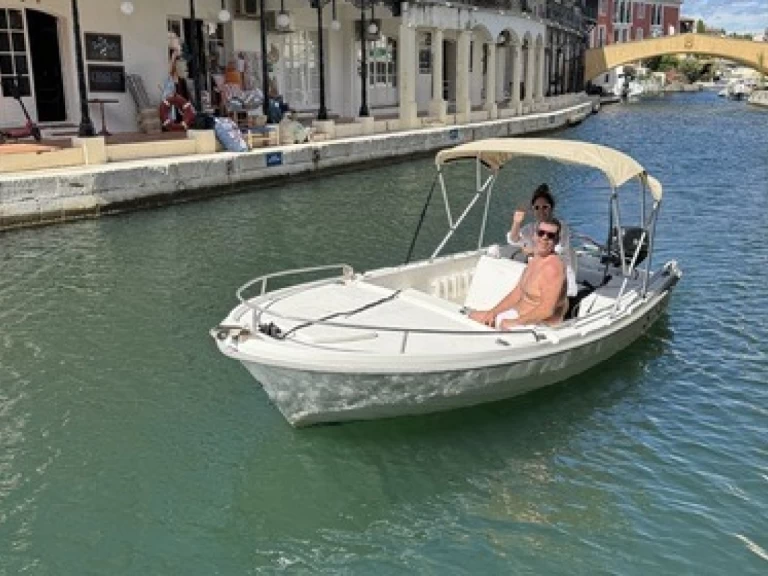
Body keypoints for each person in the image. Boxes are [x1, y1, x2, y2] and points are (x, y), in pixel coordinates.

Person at [471, 217, 568, 329]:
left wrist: (516, 322)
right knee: (474, 316)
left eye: (550, 235)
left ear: (557, 240)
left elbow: (547, 310)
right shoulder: (536, 259)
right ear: (534, 235)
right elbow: (517, 292)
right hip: (519, 316)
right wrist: (493, 312)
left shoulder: (553, 268)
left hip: (540, 325)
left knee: (492, 325)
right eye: (541, 233)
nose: (544, 238)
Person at [507, 183, 577, 297]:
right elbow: (513, 239)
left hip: (560, 280)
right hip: (538, 278)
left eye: (545, 207)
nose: (541, 211)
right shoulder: (532, 228)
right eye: (537, 207)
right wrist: (516, 222)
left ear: (552, 208)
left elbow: (558, 250)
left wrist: (531, 251)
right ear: (533, 210)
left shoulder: (561, 227)